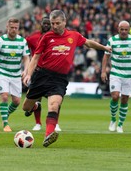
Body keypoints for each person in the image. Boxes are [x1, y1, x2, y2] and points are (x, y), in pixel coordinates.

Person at [22, 10, 112, 147]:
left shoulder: (74, 35)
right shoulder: (46, 37)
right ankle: (35, 105)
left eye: (57, 23)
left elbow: (88, 43)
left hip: (59, 78)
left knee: (54, 105)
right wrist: (28, 73)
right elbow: (35, 57)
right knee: (25, 107)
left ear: (64, 22)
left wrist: (104, 47)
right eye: (52, 23)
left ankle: (48, 135)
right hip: (42, 75)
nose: (54, 26)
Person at [0, 17, 30, 132]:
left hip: (16, 74)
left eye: (16, 28)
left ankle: (5, 115)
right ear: (7, 27)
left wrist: (26, 71)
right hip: (2, 72)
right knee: (4, 96)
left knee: (17, 101)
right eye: (12, 28)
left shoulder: (22, 41)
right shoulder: (0, 41)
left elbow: (26, 58)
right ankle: (5, 123)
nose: (14, 30)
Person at [101, 20, 131, 133]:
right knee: (115, 96)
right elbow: (106, 56)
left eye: (126, 29)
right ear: (118, 29)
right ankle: (113, 119)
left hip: (129, 75)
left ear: (129, 30)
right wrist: (103, 71)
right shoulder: (112, 40)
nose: (124, 31)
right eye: (121, 29)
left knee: (124, 99)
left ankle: (120, 124)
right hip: (116, 73)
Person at [25, 17, 62, 132]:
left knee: (56, 100)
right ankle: (38, 123)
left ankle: (55, 124)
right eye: (44, 23)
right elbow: (24, 49)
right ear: (40, 24)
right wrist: (27, 69)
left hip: (53, 73)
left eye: (48, 24)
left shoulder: (57, 37)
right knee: (37, 100)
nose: (46, 25)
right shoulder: (32, 38)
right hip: (38, 72)